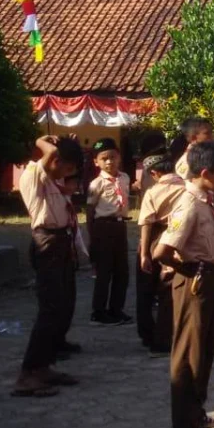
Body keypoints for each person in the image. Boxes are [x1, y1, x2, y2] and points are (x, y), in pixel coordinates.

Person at [151, 140, 214, 428]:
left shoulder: (206, 200)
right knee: (188, 355)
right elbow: (160, 250)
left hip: (208, 279)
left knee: (204, 351)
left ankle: (197, 413)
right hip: (193, 282)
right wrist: (187, 267)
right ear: (205, 172)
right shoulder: (188, 204)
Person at [14, 135, 84, 397]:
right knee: (50, 309)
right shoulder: (33, 175)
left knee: (64, 305)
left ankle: (44, 365)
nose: (66, 176)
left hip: (61, 242)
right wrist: (46, 143)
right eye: (65, 169)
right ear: (54, 160)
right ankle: (28, 373)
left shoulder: (51, 181)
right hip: (47, 244)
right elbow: (47, 152)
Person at [136, 154, 185, 356]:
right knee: (168, 292)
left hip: (156, 236)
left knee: (145, 290)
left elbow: (146, 222)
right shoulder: (186, 187)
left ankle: (148, 336)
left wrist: (145, 253)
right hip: (177, 237)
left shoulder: (153, 191)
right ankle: (165, 338)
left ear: (154, 173)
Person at [87, 138, 133, 326]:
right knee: (104, 271)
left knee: (122, 271)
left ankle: (116, 309)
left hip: (120, 225)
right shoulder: (96, 183)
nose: (109, 162)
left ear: (119, 157)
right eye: (104, 158)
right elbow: (90, 210)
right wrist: (92, 236)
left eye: (112, 157)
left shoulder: (124, 178)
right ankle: (98, 312)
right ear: (96, 162)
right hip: (103, 227)